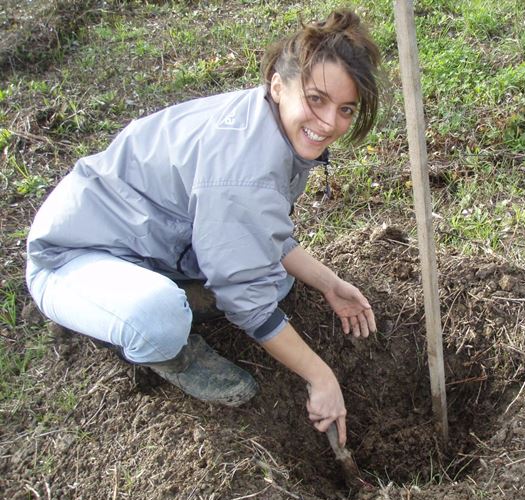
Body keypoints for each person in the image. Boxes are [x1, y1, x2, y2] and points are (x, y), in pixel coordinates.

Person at [25, 9, 382, 447]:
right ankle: (165, 350)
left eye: (345, 109)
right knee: (159, 318)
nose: (330, 123)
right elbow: (245, 291)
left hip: (153, 244)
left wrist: (329, 282)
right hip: (74, 256)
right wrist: (320, 375)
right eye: (317, 99)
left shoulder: (273, 125)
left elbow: (258, 229)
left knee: (277, 279)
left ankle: (175, 297)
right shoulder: (244, 163)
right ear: (278, 85)